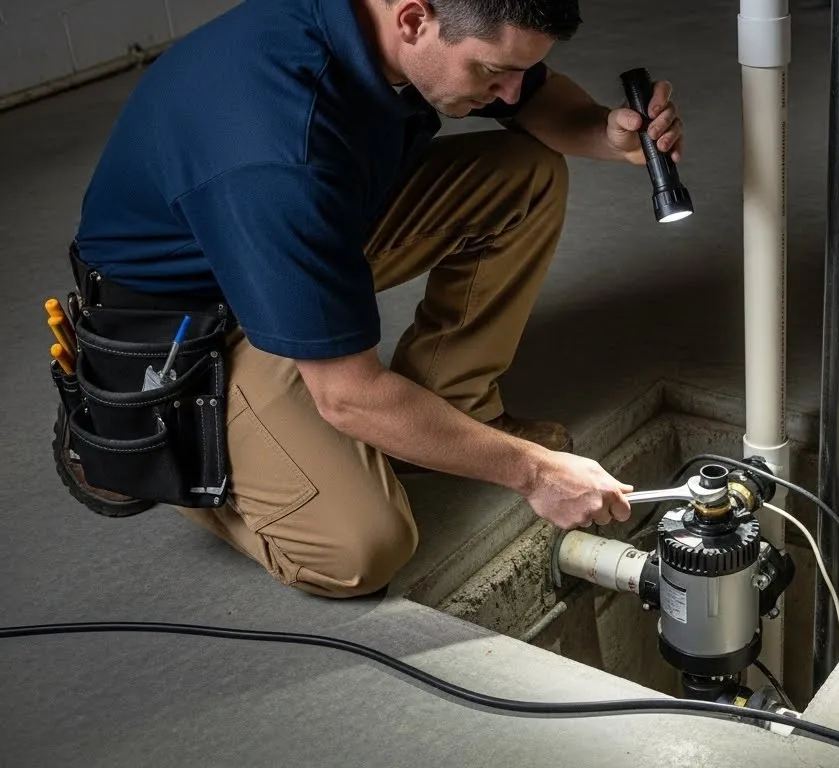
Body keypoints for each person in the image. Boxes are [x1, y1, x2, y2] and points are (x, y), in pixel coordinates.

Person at [64, 0, 687, 598]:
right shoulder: (277, 152)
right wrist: (535, 472)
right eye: (492, 73)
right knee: (361, 550)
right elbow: (349, 395)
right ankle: (153, 444)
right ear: (414, 19)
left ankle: (450, 412)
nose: (509, 92)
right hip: (194, 318)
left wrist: (602, 133)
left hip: (312, 221)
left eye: (520, 69)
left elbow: (535, 97)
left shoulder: (403, 23)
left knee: (526, 176)